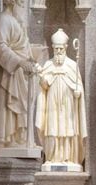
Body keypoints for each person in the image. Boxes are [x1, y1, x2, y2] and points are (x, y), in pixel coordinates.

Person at [36, 28, 87, 166]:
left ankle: (69, 158)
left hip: (68, 104)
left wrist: (78, 92)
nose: (58, 52)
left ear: (66, 47)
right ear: (53, 48)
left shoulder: (72, 65)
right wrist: (41, 78)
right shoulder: (48, 65)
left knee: (68, 129)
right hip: (52, 104)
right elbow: (44, 87)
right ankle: (52, 158)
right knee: (52, 129)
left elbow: (79, 87)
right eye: (56, 49)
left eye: (61, 49)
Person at [0, 0, 38, 148]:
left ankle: (22, 138)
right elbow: (0, 47)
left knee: (24, 107)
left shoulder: (16, 20)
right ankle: (10, 138)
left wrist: (31, 59)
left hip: (23, 74)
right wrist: (19, 61)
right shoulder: (3, 19)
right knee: (12, 106)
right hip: (13, 73)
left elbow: (23, 46)